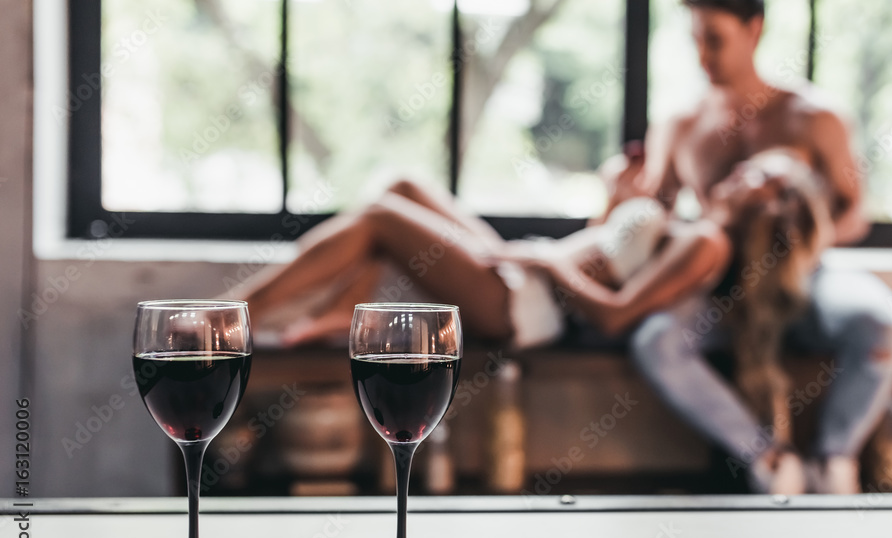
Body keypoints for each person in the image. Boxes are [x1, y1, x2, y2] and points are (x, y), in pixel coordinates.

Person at [624, 0, 892, 494]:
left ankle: (832, 462)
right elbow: (652, 212)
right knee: (656, 341)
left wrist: (794, 249)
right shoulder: (679, 124)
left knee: (880, 321)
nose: (703, 55)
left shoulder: (814, 116)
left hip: (805, 274)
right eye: (695, 40)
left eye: (715, 39)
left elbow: (855, 214)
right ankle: (769, 458)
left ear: (754, 30)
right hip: (719, 281)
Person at [240, 150, 828, 371]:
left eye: (760, 176)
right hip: (530, 276)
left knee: (380, 220)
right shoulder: (692, 229)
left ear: (772, 207)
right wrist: (613, 201)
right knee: (401, 183)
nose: (742, 171)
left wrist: (548, 264)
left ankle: (235, 314)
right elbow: (605, 256)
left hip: (527, 307)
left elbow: (616, 315)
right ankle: (341, 312)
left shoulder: (709, 244)